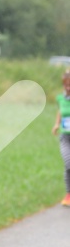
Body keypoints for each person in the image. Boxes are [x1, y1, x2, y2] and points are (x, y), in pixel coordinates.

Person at [52, 69, 70, 206]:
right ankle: (68, 194)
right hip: (65, 137)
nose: (68, 87)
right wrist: (56, 124)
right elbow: (60, 111)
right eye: (66, 85)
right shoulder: (60, 98)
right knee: (68, 164)